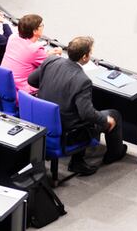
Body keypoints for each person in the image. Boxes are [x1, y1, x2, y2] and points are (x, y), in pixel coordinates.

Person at [28, 36, 124, 174]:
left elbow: (32, 80)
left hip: (41, 120)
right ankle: (114, 154)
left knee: (79, 107)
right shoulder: (82, 80)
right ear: (85, 57)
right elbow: (87, 114)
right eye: (90, 53)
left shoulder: (51, 61)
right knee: (114, 115)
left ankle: (78, 160)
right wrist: (106, 120)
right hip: (68, 131)